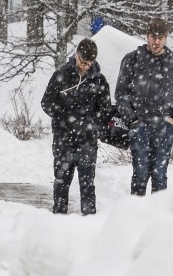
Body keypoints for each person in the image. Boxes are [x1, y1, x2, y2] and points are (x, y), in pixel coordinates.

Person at [115, 17, 173, 196]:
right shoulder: (132, 60)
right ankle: (137, 215)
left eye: (160, 37)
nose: (156, 41)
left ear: (166, 38)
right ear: (147, 36)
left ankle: (158, 218)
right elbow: (121, 93)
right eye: (153, 37)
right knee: (140, 174)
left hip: (164, 126)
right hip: (139, 125)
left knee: (160, 174)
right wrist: (132, 118)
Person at [40, 37, 112, 215]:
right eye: (83, 62)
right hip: (64, 139)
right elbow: (46, 103)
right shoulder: (61, 75)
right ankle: (58, 218)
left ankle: (89, 220)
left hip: (87, 140)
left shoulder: (99, 81)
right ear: (76, 55)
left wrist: (91, 123)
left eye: (90, 63)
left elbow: (105, 109)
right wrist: (64, 117)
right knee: (61, 181)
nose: (86, 66)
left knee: (87, 183)